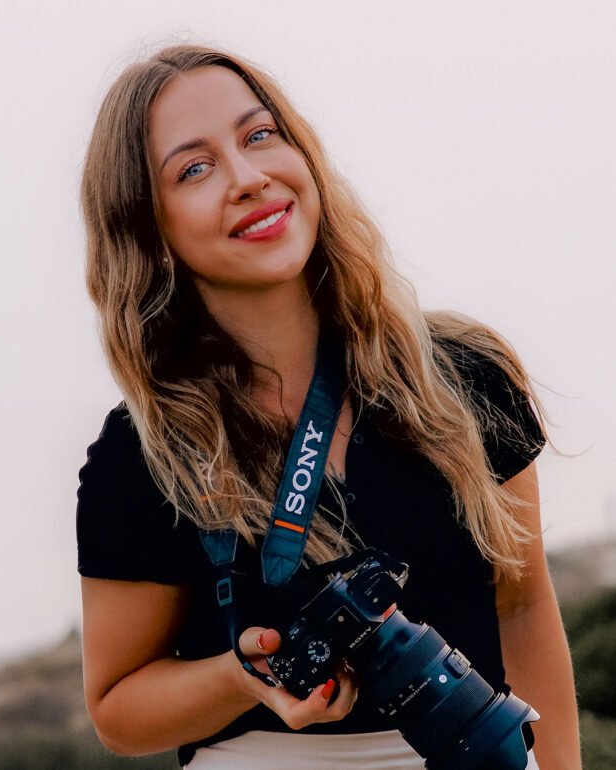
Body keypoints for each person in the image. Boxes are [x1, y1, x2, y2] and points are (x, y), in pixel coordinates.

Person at [76, 43, 581, 769]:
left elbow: (523, 607)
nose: (248, 178)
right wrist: (243, 676)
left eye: (259, 136)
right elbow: (119, 712)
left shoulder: (466, 375)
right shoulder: (145, 452)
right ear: (149, 232)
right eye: (194, 168)